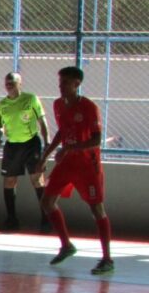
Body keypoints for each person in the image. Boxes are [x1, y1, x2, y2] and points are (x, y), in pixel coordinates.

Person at [36, 66, 113, 275]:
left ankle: (107, 259)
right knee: (47, 201)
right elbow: (62, 131)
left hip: (88, 165)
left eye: (65, 82)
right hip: (68, 163)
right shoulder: (58, 105)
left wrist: (70, 148)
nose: (60, 86)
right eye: (60, 82)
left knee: (96, 208)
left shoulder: (89, 107)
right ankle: (66, 245)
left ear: (77, 84)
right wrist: (45, 156)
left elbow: (96, 139)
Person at [0, 72, 50, 232]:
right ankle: (12, 220)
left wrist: (47, 142)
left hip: (31, 144)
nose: (9, 85)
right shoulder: (2, 104)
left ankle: (46, 219)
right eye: (6, 82)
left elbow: (42, 120)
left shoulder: (31, 99)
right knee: (9, 181)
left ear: (20, 83)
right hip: (12, 146)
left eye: (12, 82)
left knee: (37, 180)